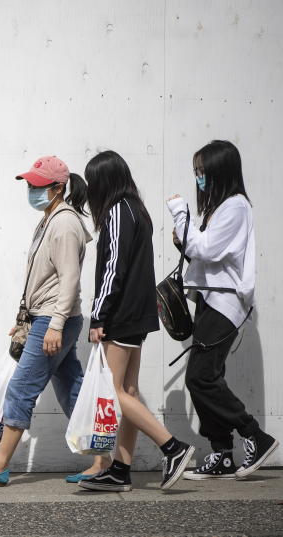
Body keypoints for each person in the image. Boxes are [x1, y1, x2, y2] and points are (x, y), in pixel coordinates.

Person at [0, 156, 109, 486]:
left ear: (57, 188)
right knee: (72, 389)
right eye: (29, 184)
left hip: (55, 319)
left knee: (22, 387)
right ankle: (103, 460)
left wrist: (53, 324)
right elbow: (42, 278)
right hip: (46, 317)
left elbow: (69, 279)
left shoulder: (64, 224)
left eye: (37, 185)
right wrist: (24, 320)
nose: (30, 190)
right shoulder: (50, 218)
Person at [78, 150, 194, 492]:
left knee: (115, 394)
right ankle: (120, 470)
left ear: (104, 182)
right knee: (127, 391)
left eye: (93, 182)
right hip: (140, 314)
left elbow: (114, 268)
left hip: (121, 314)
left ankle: (172, 447)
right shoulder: (138, 211)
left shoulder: (116, 211)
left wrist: (98, 315)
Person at [168, 140, 277, 480]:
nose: (199, 177)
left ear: (219, 170)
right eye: (196, 171)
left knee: (201, 377)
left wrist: (181, 214)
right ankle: (222, 453)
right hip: (210, 299)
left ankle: (255, 436)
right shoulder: (219, 207)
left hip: (225, 302)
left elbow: (210, 250)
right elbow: (204, 256)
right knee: (203, 377)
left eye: (203, 171)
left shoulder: (236, 206)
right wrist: (185, 242)